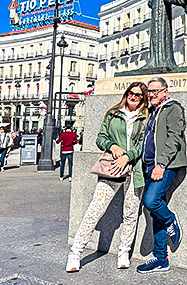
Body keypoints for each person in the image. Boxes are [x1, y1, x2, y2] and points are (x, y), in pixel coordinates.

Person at [66, 82, 148, 272]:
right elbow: (100, 137)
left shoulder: (146, 117)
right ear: (126, 94)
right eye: (131, 93)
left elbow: (144, 143)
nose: (134, 96)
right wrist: (113, 147)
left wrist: (128, 156)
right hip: (112, 168)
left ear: (143, 99)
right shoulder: (113, 114)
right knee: (95, 208)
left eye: (138, 95)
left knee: (130, 213)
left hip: (134, 171)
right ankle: (76, 251)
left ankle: (123, 252)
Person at [136, 77, 186, 274]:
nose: (152, 94)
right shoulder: (152, 111)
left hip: (165, 166)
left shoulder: (173, 108)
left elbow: (175, 137)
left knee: (151, 201)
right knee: (154, 212)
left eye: (156, 91)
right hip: (148, 166)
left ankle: (171, 220)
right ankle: (161, 258)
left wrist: (162, 163)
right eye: (150, 91)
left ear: (165, 91)